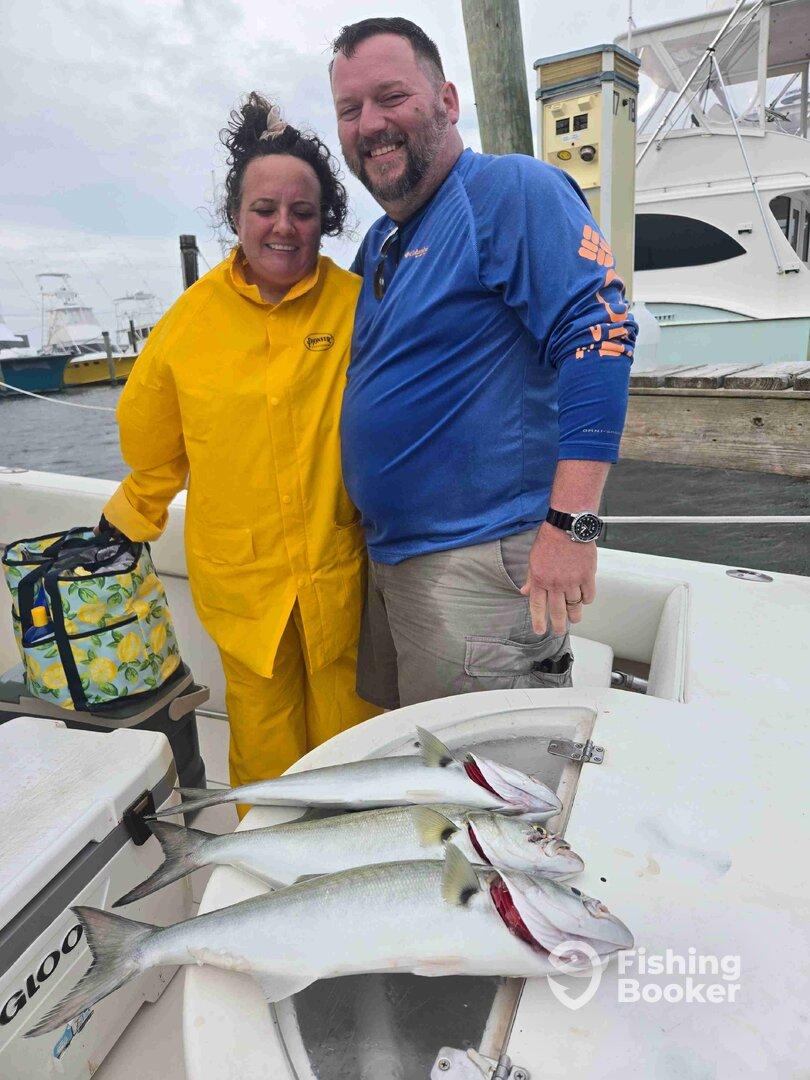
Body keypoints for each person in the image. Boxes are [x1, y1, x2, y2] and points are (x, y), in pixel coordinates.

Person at [329, 18, 636, 709]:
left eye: (391, 97)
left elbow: (602, 336)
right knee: (419, 769)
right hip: (392, 562)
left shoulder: (510, 191)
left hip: (478, 566)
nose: (370, 123)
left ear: (446, 100)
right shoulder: (380, 239)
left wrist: (572, 527)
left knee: (484, 790)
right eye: (351, 110)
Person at [101, 93, 378, 809]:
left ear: (326, 221)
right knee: (266, 765)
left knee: (359, 754)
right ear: (235, 215)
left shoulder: (360, 307)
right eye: (264, 209)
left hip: (342, 579)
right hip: (245, 591)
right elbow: (155, 452)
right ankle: (266, 892)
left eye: (303, 211)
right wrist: (126, 522)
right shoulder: (188, 326)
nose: (283, 226)